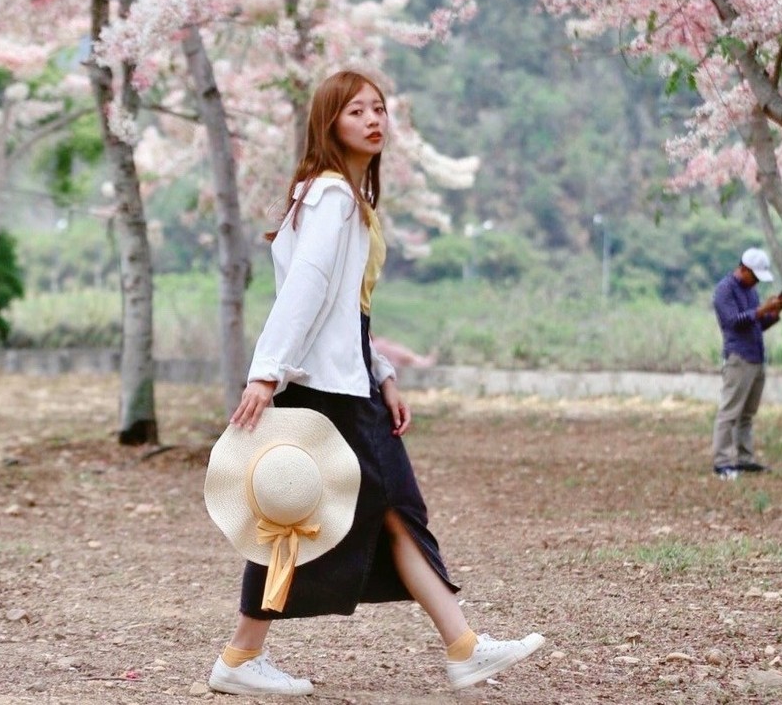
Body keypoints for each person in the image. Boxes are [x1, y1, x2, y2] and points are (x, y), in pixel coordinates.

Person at [208, 69, 545, 697]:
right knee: (346, 514)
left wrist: (383, 372)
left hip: (343, 383)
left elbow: (345, 313)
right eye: (357, 110)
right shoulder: (333, 196)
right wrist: (265, 372)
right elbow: (303, 295)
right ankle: (459, 646)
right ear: (329, 122)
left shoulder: (339, 197)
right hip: (330, 393)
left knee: (354, 514)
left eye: (380, 109)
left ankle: (246, 655)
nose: (374, 119)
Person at [710, 246, 782, 479]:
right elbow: (734, 322)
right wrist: (762, 309)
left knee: (747, 414)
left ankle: (744, 459)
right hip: (738, 357)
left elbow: (756, 324)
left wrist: (773, 313)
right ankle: (722, 462)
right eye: (754, 276)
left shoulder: (751, 291)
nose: (756, 282)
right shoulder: (724, 290)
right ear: (743, 269)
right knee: (730, 411)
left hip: (755, 356)